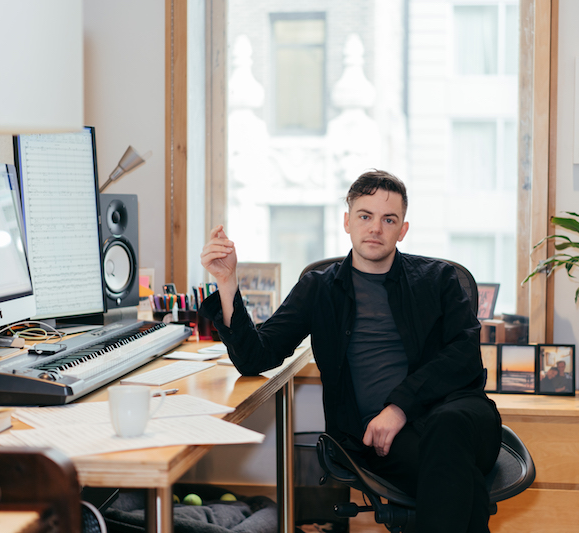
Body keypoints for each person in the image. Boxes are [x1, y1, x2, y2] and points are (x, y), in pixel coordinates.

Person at [200, 170, 502, 533]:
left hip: (459, 417)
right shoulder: (319, 289)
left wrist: (399, 407)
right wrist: (228, 282)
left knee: (447, 427)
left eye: (388, 219)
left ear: (402, 229)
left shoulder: (438, 279)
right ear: (347, 222)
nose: (376, 228)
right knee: (457, 476)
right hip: (382, 441)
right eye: (365, 216)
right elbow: (255, 357)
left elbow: (465, 355)